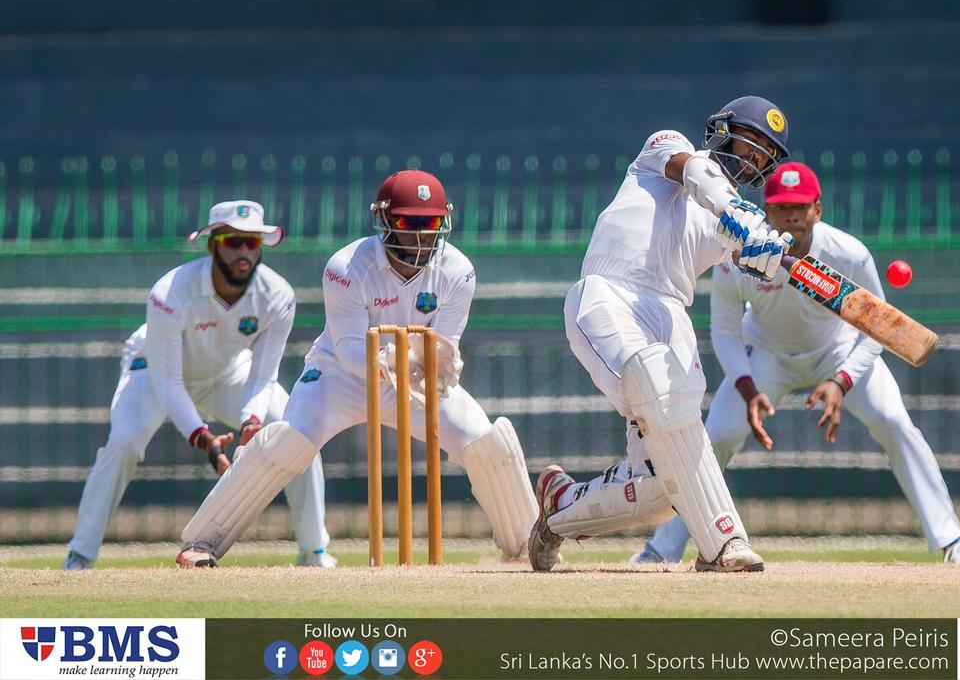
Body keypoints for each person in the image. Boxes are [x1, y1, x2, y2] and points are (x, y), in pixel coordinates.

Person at [175, 170, 540, 568]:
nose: (421, 235)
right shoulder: (347, 266)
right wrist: (393, 361)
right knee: (285, 442)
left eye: (431, 223)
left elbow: (444, 344)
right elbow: (348, 348)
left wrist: (440, 364)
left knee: (485, 442)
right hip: (339, 378)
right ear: (385, 220)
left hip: (414, 380)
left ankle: (525, 546)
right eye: (409, 222)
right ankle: (202, 542)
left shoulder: (458, 270)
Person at [630, 162, 960, 565]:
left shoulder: (848, 253)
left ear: (817, 209)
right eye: (782, 207)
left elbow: (879, 329)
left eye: (800, 206)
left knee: (894, 422)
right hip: (767, 356)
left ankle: (954, 541)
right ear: (766, 212)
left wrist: (841, 381)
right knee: (715, 438)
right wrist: (747, 387)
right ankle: (660, 549)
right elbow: (725, 330)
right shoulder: (738, 258)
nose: (793, 216)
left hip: (839, 351)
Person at [527, 96, 794, 572]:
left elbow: (743, 252)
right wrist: (737, 211)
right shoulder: (666, 148)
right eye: (748, 144)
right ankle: (723, 543)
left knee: (658, 489)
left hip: (671, 314)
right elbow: (695, 173)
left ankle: (559, 506)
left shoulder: (733, 221)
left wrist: (763, 253)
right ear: (722, 132)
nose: (752, 159)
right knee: (659, 390)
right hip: (610, 292)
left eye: (763, 156)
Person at [64, 200, 334, 570]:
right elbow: (168, 381)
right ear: (212, 245)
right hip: (153, 371)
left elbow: (263, 375)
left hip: (226, 373)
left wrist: (252, 421)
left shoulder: (278, 295)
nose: (243, 252)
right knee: (125, 442)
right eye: (232, 241)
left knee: (297, 433)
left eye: (252, 242)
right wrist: (203, 438)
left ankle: (314, 552)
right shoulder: (170, 292)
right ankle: (80, 557)